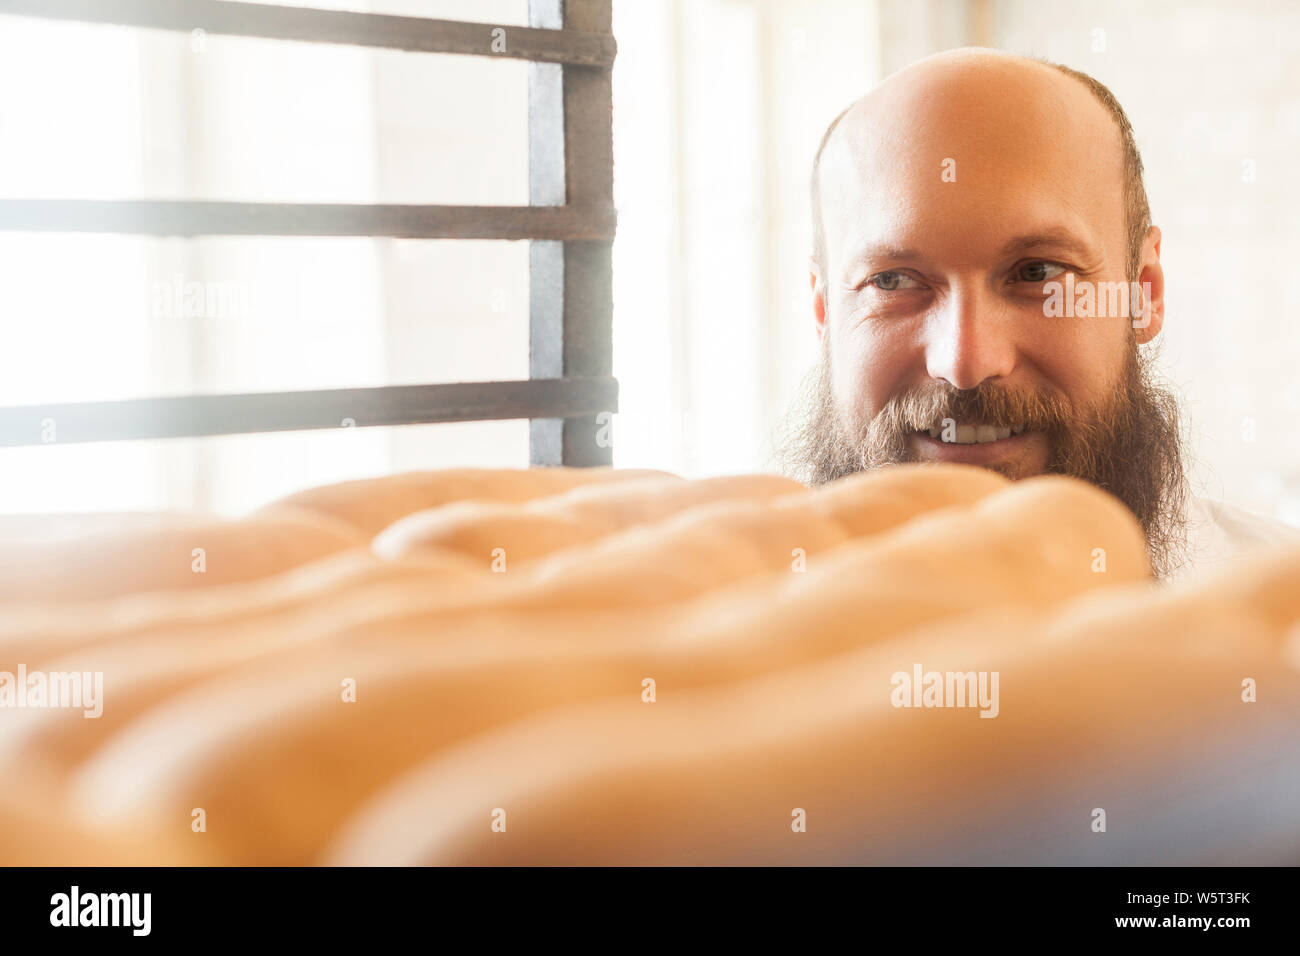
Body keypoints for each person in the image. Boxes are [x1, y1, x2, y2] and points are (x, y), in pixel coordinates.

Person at [782, 48, 1300, 580]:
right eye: (890, 281)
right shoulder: (707, 619)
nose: (965, 362)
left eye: (1037, 273)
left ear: (1142, 293)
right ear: (824, 315)